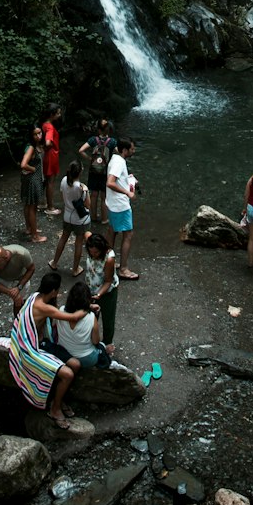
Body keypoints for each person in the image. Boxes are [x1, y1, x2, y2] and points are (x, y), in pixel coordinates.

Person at [8, 269, 88, 428]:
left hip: (43, 342)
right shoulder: (44, 307)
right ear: (53, 291)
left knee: (76, 364)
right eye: (57, 290)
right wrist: (88, 306)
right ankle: (55, 409)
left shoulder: (35, 296)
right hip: (31, 349)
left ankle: (60, 398)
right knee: (68, 374)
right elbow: (73, 317)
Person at [52, 278, 112, 368]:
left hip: (64, 354)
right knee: (101, 347)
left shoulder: (61, 311)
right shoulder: (91, 317)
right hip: (86, 358)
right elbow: (96, 341)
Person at [0, 244, 34, 342]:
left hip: (20, 279)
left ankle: (18, 327)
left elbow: (31, 269)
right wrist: (10, 292)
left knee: (19, 304)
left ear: (6, 258)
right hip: (3, 279)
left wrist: (19, 287)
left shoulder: (22, 254)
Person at [106, 136, 140, 279]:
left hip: (112, 203)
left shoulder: (115, 158)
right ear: (125, 150)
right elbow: (110, 182)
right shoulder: (119, 162)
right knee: (128, 235)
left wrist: (128, 179)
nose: (134, 150)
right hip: (120, 205)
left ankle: (108, 261)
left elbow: (116, 179)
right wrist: (128, 192)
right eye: (132, 148)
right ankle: (123, 269)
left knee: (112, 231)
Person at [50, 160, 90, 274]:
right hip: (80, 220)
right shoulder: (80, 188)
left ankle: (54, 262)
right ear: (80, 171)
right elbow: (88, 205)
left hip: (67, 216)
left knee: (63, 238)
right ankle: (75, 269)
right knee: (78, 242)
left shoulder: (63, 180)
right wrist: (87, 191)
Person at [84, 230, 119, 344]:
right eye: (91, 252)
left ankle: (107, 344)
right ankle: (90, 342)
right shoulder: (90, 243)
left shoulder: (109, 259)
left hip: (107, 292)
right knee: (89, 318)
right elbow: (87, 233)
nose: (93, 254)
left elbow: (108, 281)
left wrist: (98, 295)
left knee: (108, 320)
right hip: (90, 289)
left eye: (96, 252)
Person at [79, 115, 116, 223]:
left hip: (93, 170)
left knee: (94, 195)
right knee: (104, 197)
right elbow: (119, 152)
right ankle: (104, 219)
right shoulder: (112, 142)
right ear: (108, 129)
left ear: (98, 129)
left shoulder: (93, 140)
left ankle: (93, 217)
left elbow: (81, 150)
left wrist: (90, 159)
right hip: (105, 171)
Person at [20, 125, 48, 242]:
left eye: (40, 133)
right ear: (31, 136)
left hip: (29, 179)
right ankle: (35, 236)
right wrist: (33, 169)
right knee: (32, 207)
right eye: (35, 134)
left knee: (28, 204)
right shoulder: (31, 147)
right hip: (32, 180)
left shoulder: (33, 146)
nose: (39, 136)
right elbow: (23, 164)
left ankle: (29, 228)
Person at [41, 103, 62, 215]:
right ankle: (50, 207)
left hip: (47, 155)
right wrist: (46, 147)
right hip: (51, 155)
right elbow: (48, 142)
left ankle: (41, 202)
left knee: (45, 180)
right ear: (51, 114)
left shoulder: (44, 124)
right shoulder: (49, 127)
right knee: (50, 182)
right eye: (58, 113)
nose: (59, 115)